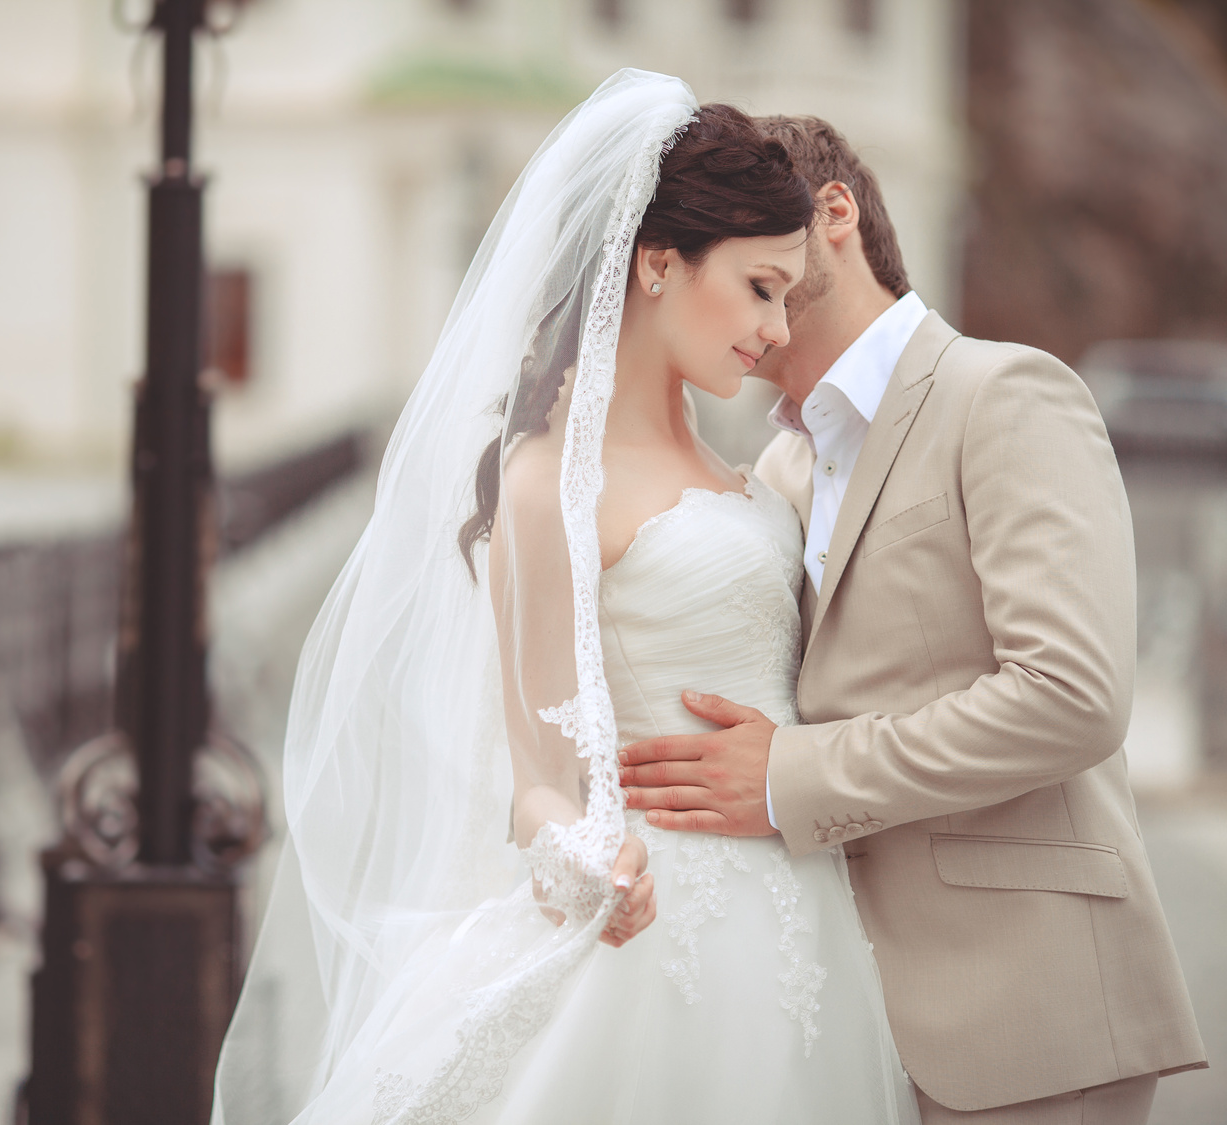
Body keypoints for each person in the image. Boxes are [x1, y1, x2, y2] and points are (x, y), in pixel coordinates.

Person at [214, 72, 918, 1125]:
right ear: (656, 264)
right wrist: (588, 861)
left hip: (798, 912)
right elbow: (538, 778)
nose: (775, 329)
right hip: (656, 922)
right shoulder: (546, 487)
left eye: (784, 295)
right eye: (760, 287)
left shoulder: (751, 466)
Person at [618, 115, 1208, 1124]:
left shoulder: (1004, 394)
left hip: (1024, 1014)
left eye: (766, 254)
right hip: (818, 1015)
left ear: (831, 214)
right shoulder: (773, 471)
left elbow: (1068, 697)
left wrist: (787, 777)